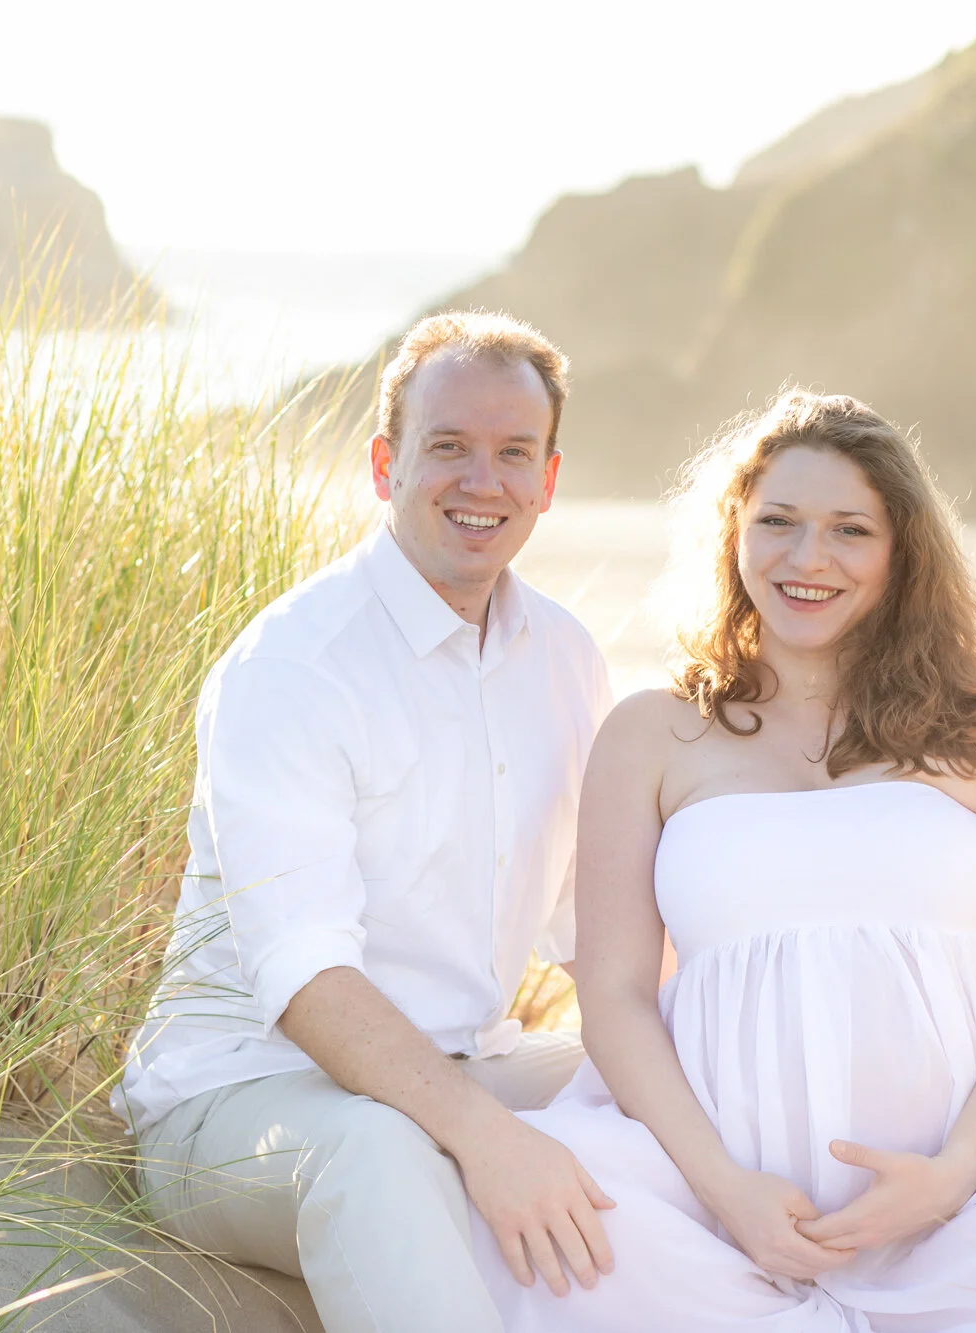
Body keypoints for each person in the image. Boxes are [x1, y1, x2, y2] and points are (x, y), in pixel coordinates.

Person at [472, 391, 976, 1331]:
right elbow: (617, 995)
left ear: (901, 549)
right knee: (532, 1227)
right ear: (733, 533)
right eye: (777, 522)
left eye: (849, 530)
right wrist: (728, 1190)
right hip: (713, 1200)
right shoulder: (652, 731)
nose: (807, 558)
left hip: (971, 1187)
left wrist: (951, 1179)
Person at [114, 311, 618, 1332]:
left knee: (677, 1096)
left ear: (548, 480)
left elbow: (596, 941)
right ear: (386, 463)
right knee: (378, 1152)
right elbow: (304, 981)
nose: (482, 482)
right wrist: (484, 1135)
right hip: (243, 1100)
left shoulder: (566, 660)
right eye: (448, 448)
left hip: (466, 1068)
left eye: (512, 453)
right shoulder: (295, 666)